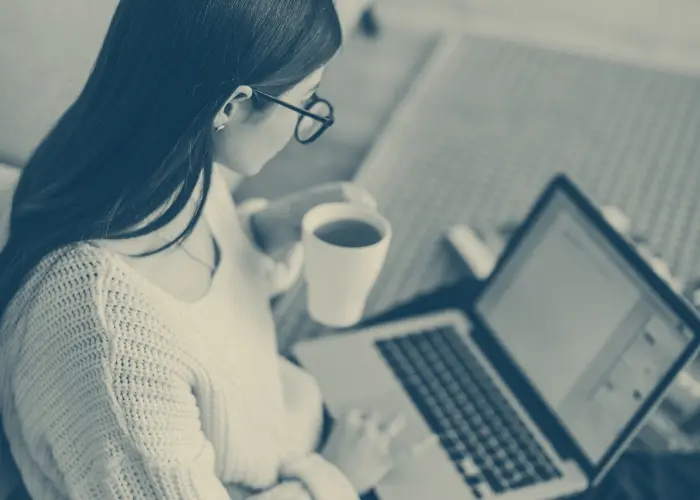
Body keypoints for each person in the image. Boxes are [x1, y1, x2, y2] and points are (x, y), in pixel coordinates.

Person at [0, 0, 431, 498]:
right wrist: (337, 478)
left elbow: (195, 299)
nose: (301, 127)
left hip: (285, 428)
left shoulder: (159, 165)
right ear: (231, 106)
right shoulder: (111, 346)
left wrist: (266, 231)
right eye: (305, 102)